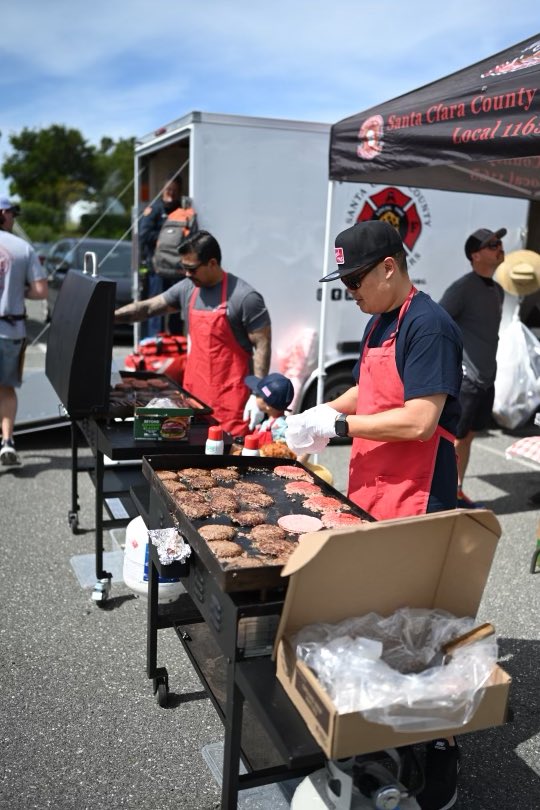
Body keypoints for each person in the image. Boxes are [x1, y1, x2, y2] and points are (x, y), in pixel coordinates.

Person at [285, 219, 463, 810]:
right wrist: (319, 413)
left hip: (416, 494)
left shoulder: (428, 325)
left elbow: (419, 419)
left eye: (355, 279)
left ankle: (439, 745)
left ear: (389, 265)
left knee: (417, 627)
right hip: (374, 485)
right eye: (344, 282)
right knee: (375, 620)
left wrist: (338, 427)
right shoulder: (379, 319)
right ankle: (377, 730)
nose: (350, 291)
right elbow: (368, 391)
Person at [115, 230, 271, 437]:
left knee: (227, 461)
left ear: (212, 263)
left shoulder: (245, 297)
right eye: (184, 268)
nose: (187, 274)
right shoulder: (188, 289)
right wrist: (110, 316)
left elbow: (262, 344)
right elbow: (149, 308)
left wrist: (258, 395)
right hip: (194, 396)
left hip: (231, 402)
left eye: (192, 268)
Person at [439, 227, 506, 508]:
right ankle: (442, 498)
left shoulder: (498, 290)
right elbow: (439, 323)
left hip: (486, 380)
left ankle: (456, 491)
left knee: (467, 438)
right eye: (492, 244)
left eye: (499, 243)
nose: (499, 247)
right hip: (467, 379)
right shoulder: (463, 288)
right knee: (452, 439)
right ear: (475, 255)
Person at [0, 198, 48, 465]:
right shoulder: (22, 248)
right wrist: (18, 290)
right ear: (4, 214)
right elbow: (41, 291)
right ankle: (7, 441)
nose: (14, 219)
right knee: (6, 389)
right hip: (10, 328)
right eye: (12, 215)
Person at [138, 177, 182, 336]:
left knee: (176, 313)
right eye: (169, 190)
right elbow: (143, 236)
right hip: (157, 271)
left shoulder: (182, 212)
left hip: (177, 271)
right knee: (156, 311)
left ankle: (175, 348)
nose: (171, 194)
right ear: (163, 190)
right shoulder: (154, 210)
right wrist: (166, 237)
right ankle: (154, 345)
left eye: (175, 191)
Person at [244, 372, 294, 447]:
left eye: (257, 395)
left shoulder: (279, 427)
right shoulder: (267, 422)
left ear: (267, 405)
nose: (254, 397)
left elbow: (284, 451)